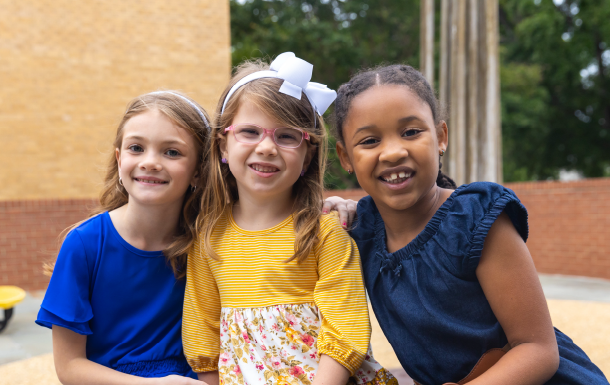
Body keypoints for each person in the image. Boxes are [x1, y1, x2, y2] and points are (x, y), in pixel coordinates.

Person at [35, 90, 356, 385]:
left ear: (199, 171)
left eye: (172, 152)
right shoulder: (84, 244)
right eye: (136, 147)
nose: (150, 161)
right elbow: (69, 367)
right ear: (119, 159)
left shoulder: (208, 238)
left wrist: (334, 206)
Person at [331, 64, 609, 385]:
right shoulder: (359, 233)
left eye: (411, 132)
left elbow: (537, 349)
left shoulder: (474, 217)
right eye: (369, 141)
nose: (393, 152)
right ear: (346, 157)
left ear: (441, 137)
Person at [182, 53, 396, 385]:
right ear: (223, 145)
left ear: (308, 153)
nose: (267, 147)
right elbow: (202, 335)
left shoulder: (325, 232)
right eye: (250, 132)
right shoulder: (208, 238)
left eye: (286, 136)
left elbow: (345, 328)